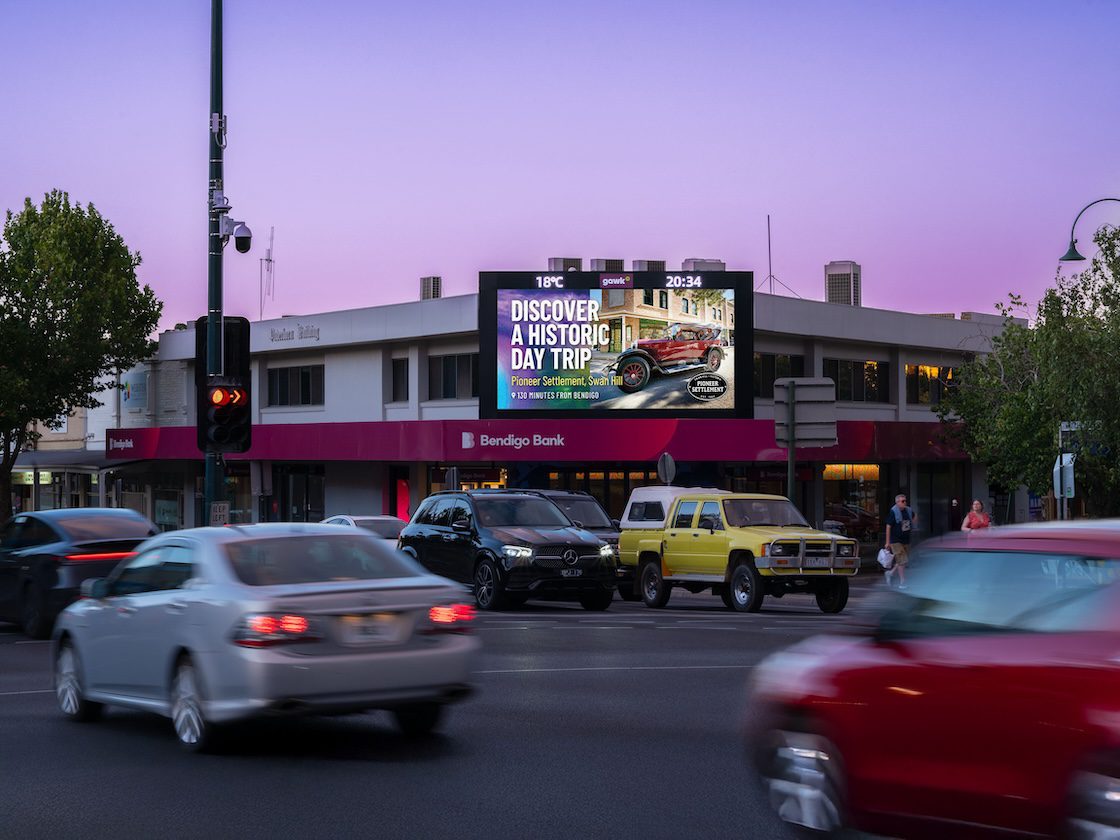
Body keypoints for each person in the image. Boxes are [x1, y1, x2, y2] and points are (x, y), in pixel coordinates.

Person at [884, 493, 917, 588]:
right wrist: (887, 542)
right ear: (897, 502)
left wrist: (913, 524)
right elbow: (888, 526)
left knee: (903, 560)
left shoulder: (908, 510)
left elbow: (915, 515)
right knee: (902, 560)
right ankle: (902, 582)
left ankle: (890, 573)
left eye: (905, 501)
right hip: (896, 540)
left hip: (906, 539)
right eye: (902, 501)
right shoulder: (893, 512)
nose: (904, 502)